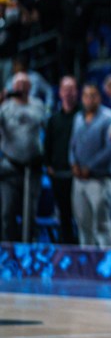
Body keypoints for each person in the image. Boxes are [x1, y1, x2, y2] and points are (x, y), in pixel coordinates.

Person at [69, 84, 111, 248]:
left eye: (93, 95)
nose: (90, 99)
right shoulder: (78, 118)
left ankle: (107, 263)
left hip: (99, 179)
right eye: (86, 95)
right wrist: (73, 163)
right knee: (83, 224)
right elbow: (72, 145)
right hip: (79, 180)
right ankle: (86, 263)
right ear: (82, 98)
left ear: (100, 97)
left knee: (101, 225)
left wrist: (89, 167)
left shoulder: (109, 118)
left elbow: (110, 149)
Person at [0, 72, 47, 242]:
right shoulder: (4, 107)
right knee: (7, 213)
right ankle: (7, 252)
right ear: (12, 87)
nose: (20, 88)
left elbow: (46, 129)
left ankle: (28, 250)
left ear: (29, 87)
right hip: (9, 166)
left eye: (24, 84)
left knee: (30, 214)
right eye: (17, 85)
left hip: (32, 168)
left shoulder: (38, 105)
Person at [44, 76, 80, 244]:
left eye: (71, 89)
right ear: (59, 92)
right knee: (63, 215)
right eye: (65, 89)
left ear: (77, 92)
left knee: (80, 215)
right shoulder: (54, 119)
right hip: (58, 174)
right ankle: (66, 249)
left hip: (78, 174)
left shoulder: (81, 118)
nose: (68, 93)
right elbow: (47, 144)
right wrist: (49, 165)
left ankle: (83, 252)